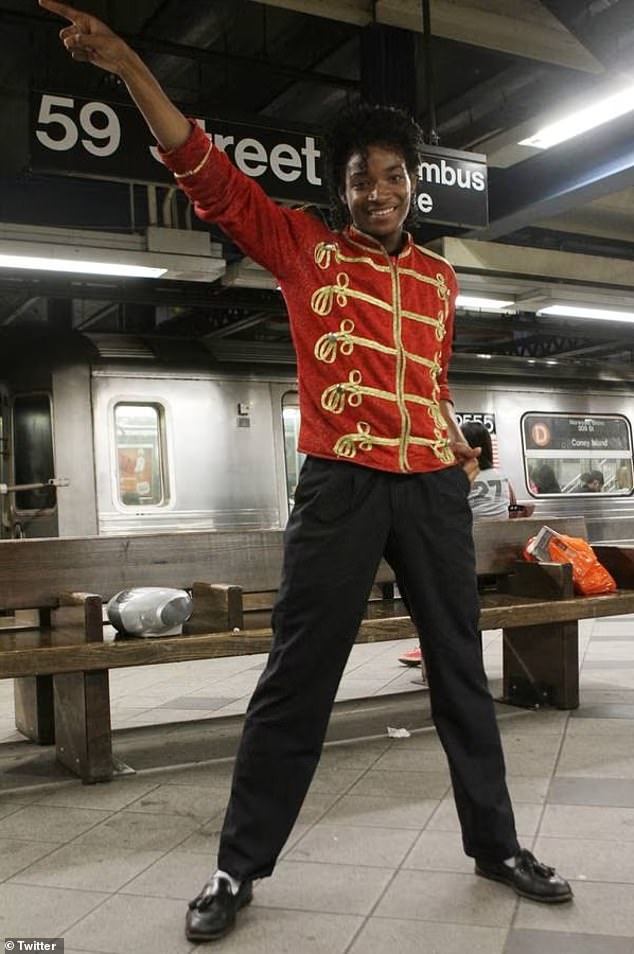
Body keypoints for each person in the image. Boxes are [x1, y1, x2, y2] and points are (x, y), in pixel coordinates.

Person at [41, 1, 573, 941]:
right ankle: (237, 868)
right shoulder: (305, 250)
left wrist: (451, 439)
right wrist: (128, 65)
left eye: (393, 177)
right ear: (342, 191)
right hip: (342, 487)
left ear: (414, 185)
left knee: (459, 672)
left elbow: (431, 381)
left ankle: (496, 846)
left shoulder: (443, 283)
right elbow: (206, 174)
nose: (379, 192)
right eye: (362, 180)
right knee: (298, 679)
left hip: (432, 492)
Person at [398, 420, 511, 667]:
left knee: (429, 586)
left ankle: (427, 645)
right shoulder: (502, 477)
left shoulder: (463, 477)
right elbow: (509, 504)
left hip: (468, 561)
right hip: (498, 564)